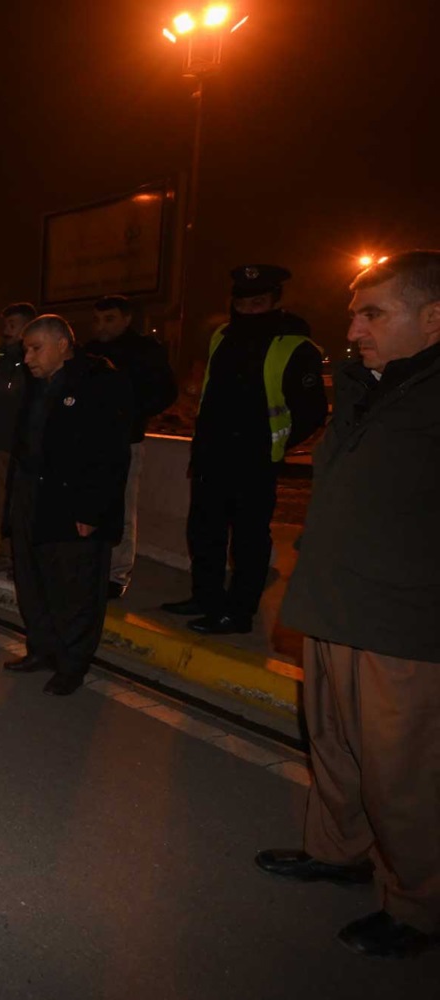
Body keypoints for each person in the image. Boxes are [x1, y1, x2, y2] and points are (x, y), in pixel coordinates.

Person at [259, 251, 440, 959]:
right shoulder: (374, 386)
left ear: (434, 318)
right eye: (354, 313)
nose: (354, 328)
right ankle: (337, 852)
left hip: (404, 618)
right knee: (335, 746)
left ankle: (421, 906)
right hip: (335, 601)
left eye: (374, 313)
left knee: (404, 771)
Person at [161, 265, 327, 635]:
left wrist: (274, 443)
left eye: (259, 302)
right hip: (211, 455)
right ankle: (205, 599)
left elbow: (311, 412)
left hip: (255, 460)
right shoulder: (222, 335)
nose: (250, 309)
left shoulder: (295, 345)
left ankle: (238, 613)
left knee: (249, 540)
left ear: (275, 301)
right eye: (243, 302)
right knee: (204, 533)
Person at [2, 315, 132, 697]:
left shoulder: (98, 382)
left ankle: (73, 664)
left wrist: (92, 511)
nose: (27, 357)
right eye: (25, 348)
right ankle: (41, 649)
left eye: (35, 348)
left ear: (62, 344)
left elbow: (110, 454)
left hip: (74, 504)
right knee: (33, 582)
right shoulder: (36, 384)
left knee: (74, 589)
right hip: (32, 498)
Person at [84, 295, 179, 598]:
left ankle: (117, 574)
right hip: (89, 442)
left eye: (109, 318)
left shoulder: (146, 351)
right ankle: (92, 567)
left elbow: (165, 392)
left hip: (126, 442)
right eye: (98, 319)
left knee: (122, 508)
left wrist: (130, 414)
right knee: (89, 506)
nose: (102, 325)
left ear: (126, 319)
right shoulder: (89, 352)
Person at [0, 302, 36, 575]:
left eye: (12, 325)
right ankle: (5, 554)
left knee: (20, 505)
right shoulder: (5, 359)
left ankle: (21, 558)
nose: (6, 331)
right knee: (0, 502)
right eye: (5, 325)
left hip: (19, 447)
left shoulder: (32, 362)